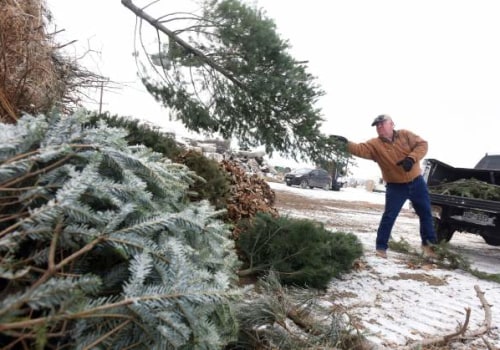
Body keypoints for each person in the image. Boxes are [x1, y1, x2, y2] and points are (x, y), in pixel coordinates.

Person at [332, 114, 437, 259]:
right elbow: (360, 149)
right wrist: (346, 144)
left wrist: (411, 159)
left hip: (416, 182)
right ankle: (381, 248)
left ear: (392, 124)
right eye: (377, 125)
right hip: (395, 187)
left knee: (426, 214)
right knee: (389, 216)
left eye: (382, 123)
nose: (379, 127)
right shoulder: (374, 145)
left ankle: (429, 248)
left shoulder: (405, 135)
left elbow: (422, 145)